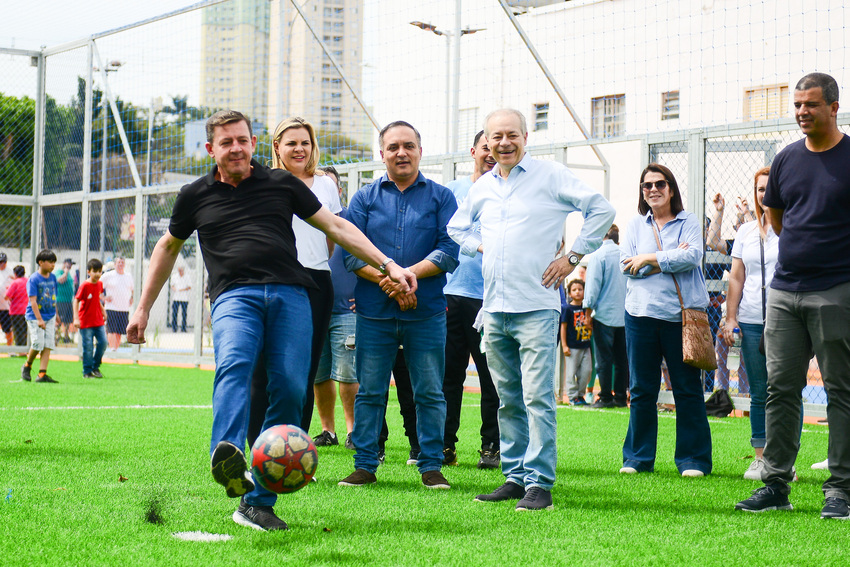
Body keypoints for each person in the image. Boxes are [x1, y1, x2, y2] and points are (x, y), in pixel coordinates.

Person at [125, 110, 416, 531]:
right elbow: (167, 247)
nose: (236, 148)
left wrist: (388, 264)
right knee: (236, 364)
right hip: (234, 296)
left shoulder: (281, 185)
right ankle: (225, 455)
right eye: (226, 142)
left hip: (291, 294)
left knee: (291, 386)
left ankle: (256, 502)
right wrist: (142, 307)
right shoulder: (195, 194)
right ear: (212, 149)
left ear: (254, 143)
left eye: (242, 140)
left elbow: (335, 226)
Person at [448, 108, 615, 511]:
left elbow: (601, 210)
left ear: (526, 137)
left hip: (535, 308)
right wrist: (481, 246)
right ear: (485, 143)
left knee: (537, 397)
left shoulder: (551, 176)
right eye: (495, 137)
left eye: (512, 135)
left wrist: (572, 257)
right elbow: (456, 227)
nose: (503, 143)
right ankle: (515, 476)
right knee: (508, 399)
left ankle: (539, 483)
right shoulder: (484, 186)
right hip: (494, 309)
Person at [735, 73, 850, 519]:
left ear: (834, 106)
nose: (802, 111)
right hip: (785, 292)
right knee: (781, 389)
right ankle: (776, 483)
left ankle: (840, 488)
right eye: (798, 104)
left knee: (841, 391)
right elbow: (778, 218)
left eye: (811, 104)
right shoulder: (785, 159)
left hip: (837, 290)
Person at [337, 120, 458, 491]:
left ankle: (431, 466)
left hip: (427, 312)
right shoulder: (364, 199)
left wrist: (408, 276)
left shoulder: (442, 197)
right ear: (382, 154)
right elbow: (351, 255)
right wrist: (392, 281)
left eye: (408, 145)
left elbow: (450, 251)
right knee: (370, 390)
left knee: (429, 392)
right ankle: (365, 465)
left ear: (420, 150)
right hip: (374, 312)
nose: (401, 153)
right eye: (393, 147)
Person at [248, 117, 343, 446]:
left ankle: (295, 452)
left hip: (317, 283)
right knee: (263, 371)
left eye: (305, 142)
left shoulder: (326, 185)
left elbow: (333, 236)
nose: (299, 149)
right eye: (291, 143)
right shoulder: (262, 183)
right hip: (272, 281)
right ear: (277, 147)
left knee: (303, 372)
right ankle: (258, 447)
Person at [619, 163, 712, 477]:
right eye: (647, 186)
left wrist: (648, 258)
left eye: (660, 184)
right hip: (640, 315)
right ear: (642, 192)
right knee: (642, 389)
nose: (653, 190)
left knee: (687, 389)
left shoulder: (689, 221)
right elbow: (626, 265)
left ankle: (694, 460)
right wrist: (666, 259)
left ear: (671, 188)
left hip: (680, 318)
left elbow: (692, 256)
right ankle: (637, 459)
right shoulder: (634, 225)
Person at [723, 167, 803, 480]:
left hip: (788, 320)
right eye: (760, 190)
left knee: (786, 390)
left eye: (770, 189)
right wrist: (730, 318)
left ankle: (786, 460)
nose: (764, 195)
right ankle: (761, 458)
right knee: (759, 391)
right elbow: (738, 277)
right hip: (753, 319)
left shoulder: (795, 227)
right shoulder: (745, 231)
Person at [441, 130, 501, 469]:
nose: (491, 153)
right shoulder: (453, 190)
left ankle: (491, 447)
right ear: (473, 151)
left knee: (491, 376)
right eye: (485, 148)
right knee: (448, 376)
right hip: (450, 294)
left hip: (489, 298)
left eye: (496, 148)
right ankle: (444, 447)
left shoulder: (508, 192)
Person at [312, 165, 359, 450]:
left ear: (338, 191)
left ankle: (354, 432)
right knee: (319, 373)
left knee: (348, 372)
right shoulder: (303, 221)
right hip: (315, 310)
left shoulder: (351, 221)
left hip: (346, 310)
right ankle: (327, 430)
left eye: (328, 187)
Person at [584, 224, 629, 408]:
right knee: (622, 359)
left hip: (604, 314)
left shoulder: (598, 255)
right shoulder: (625, 254)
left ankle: (605, 396)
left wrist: (588, 312)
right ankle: (619, 396)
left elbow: (593, 287)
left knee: (604, 358)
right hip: (625, 314)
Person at [21, 249, 60, 383]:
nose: (53, 265)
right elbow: (32, 301)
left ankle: (42, 374)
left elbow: (54, 297)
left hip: (50, 316)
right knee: (38, 343)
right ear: (41, 262)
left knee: (48, 344)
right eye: (50, 262)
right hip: (35, 317)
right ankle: (27, 365)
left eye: (54, 262)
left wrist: (57, 314)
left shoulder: (53, 277)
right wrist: (39, 319)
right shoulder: (34, 279)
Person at [561, 279, 593, 405]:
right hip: (572, 347)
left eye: (580, 289)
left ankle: (580, 395)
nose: (578, 292)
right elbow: (563, 327)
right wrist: (564, 345)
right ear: (569, 293)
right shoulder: (567, 309)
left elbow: (592, 325)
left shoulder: (587, 309)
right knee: (571, 373)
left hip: (586, 345)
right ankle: (572, 396)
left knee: (587, 371)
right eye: (574, 290)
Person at [74, 258, 108, 379]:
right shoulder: (84, 285)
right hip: (86, 321)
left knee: (103, 342)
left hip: (98, 320)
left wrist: (103, 311)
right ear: (89, 272)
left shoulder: (99, 284)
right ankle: (87, 371)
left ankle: (95, 366)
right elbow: (76, 300)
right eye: (95, 271)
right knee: (88, 347)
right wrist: (76, 318)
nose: (98, 274)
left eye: (100, 271)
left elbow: (96, 299)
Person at [101, 257, 133, 350]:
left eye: (122, 262)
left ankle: (116, 348)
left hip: (124, 308)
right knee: (111, 329)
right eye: (119, 262)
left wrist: (132, 298)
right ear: (115, 264)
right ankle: (112, 348)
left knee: (119, 331)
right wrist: (103, 297)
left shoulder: (128, 276)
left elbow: (133, 290)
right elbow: (98, 287)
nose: (120, 264)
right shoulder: (108, 275)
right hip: (111, 307)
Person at [6, 265, 28, 351]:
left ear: (15, 273)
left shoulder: (15, 283)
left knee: (18, 330)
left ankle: (20, 350)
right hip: (27, 310)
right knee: (25, 330)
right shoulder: (28, 281)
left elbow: (7, 296)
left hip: (16, 311)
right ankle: (26, 348)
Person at [55, 258, 77, 344]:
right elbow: (60, 281)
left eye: (71, 264)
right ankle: (57, 336)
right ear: (64, 264)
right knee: (59, 319)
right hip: (61, 300)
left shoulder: (69, 274)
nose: (70, 266)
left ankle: (66, 336)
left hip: (68, 300)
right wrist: (66, 272)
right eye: (68, 264)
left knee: (68, 320)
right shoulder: (59, 272)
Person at [170, 265, 191, 333]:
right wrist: (175, 289)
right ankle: (174, 327)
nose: (180, 272)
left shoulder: (187, 277)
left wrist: (182, 289)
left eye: (181, 271)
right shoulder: (175, 276)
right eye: (179, 271)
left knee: (184, 313)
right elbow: (172, 285)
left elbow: (190, 286)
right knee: (175, 313)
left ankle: (183, 328)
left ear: (183, 270)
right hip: (176, 297)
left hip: (184, 298)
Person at [0, 252, 15, 346]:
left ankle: (10, 349)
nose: (1, 264)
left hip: (6, 307)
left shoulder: (10, 272)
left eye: (3, 262)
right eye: (0, 262)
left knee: (7, 328)